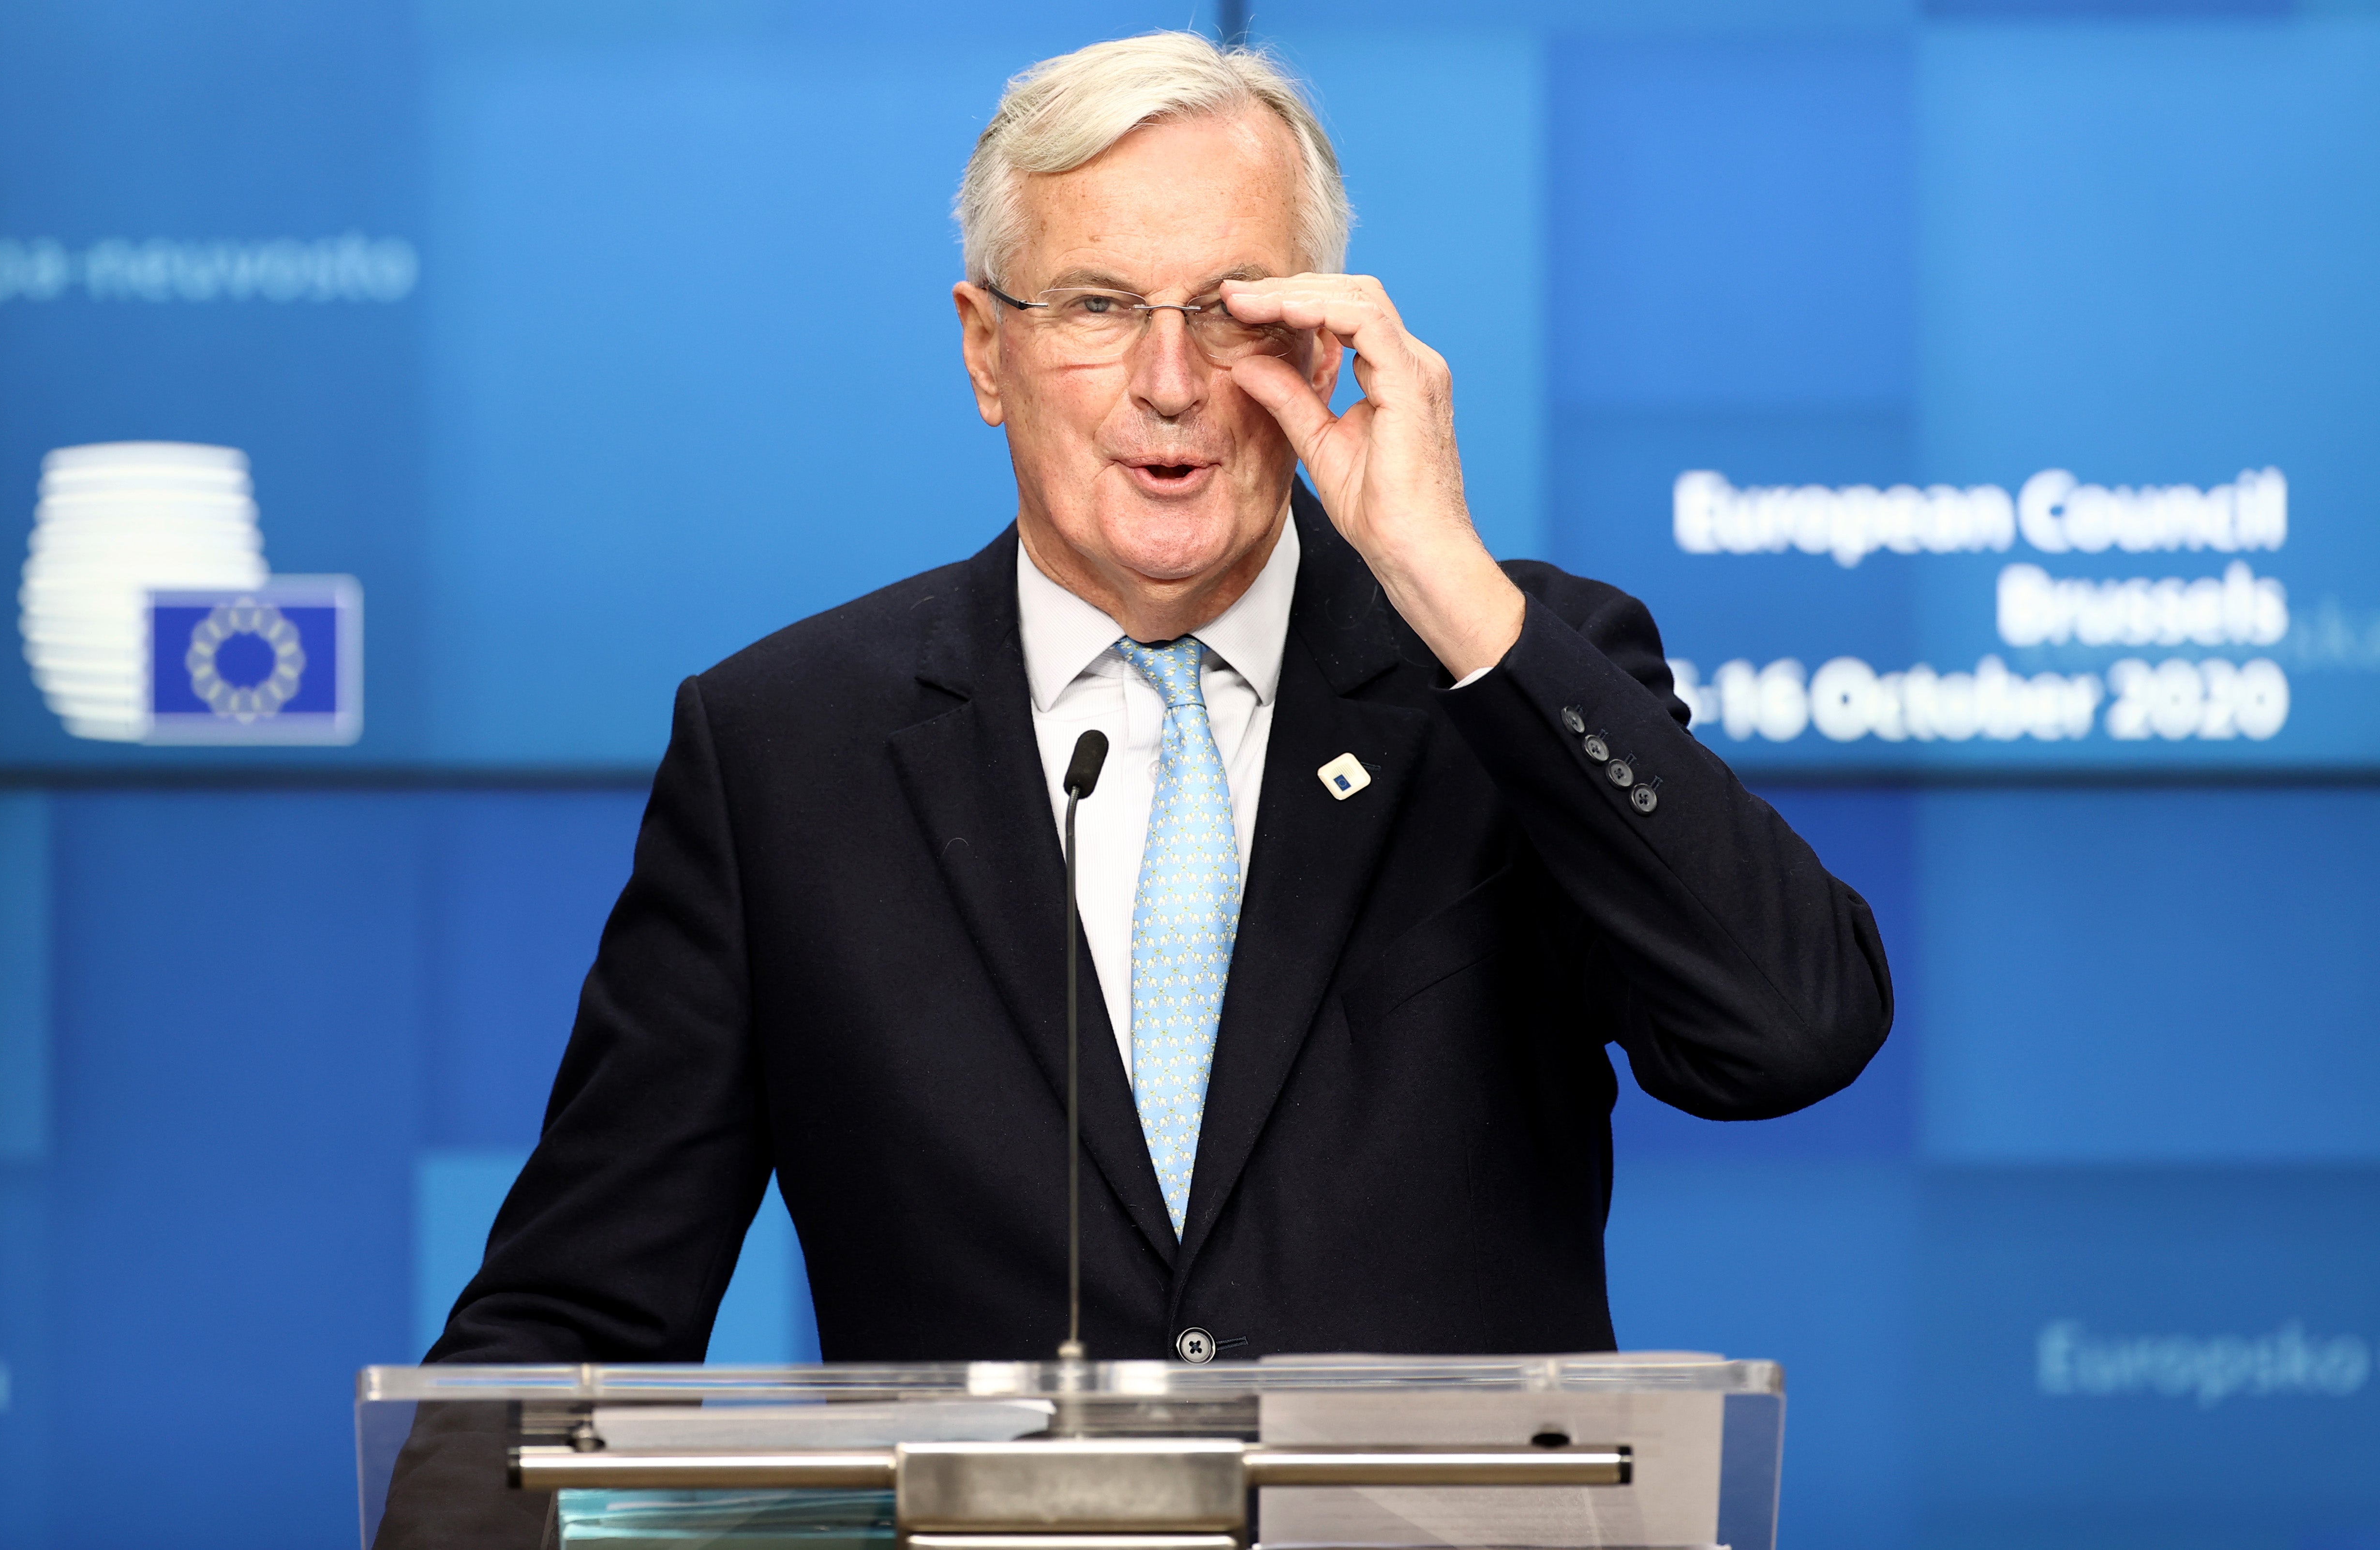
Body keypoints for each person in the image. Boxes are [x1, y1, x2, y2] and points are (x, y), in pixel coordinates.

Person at [426, 30, 1891, 1375]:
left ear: (1324, 345)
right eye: (1098, 306)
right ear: (985, 349)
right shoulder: (784, 753)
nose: (1171, 380)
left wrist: (1444, 582)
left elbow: (1791, 1031)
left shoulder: (1514, 668)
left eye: (1230, 314)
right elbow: (571, 1320)